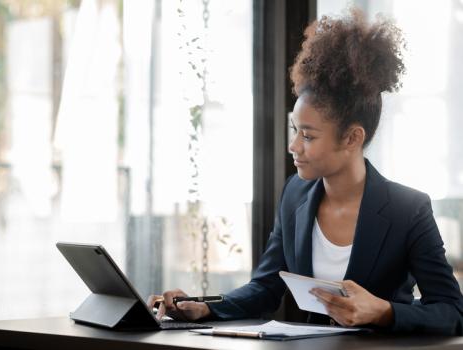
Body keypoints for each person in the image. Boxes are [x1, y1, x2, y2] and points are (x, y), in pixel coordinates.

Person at [147, 9, 463, 335]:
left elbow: (452, 311)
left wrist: (384, 312)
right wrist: (204, 307)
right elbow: (265, 288)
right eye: (294, 130)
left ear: (353, 138)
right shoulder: (294, 194)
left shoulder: (407, 209)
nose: (293, 146)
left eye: (308, 136)